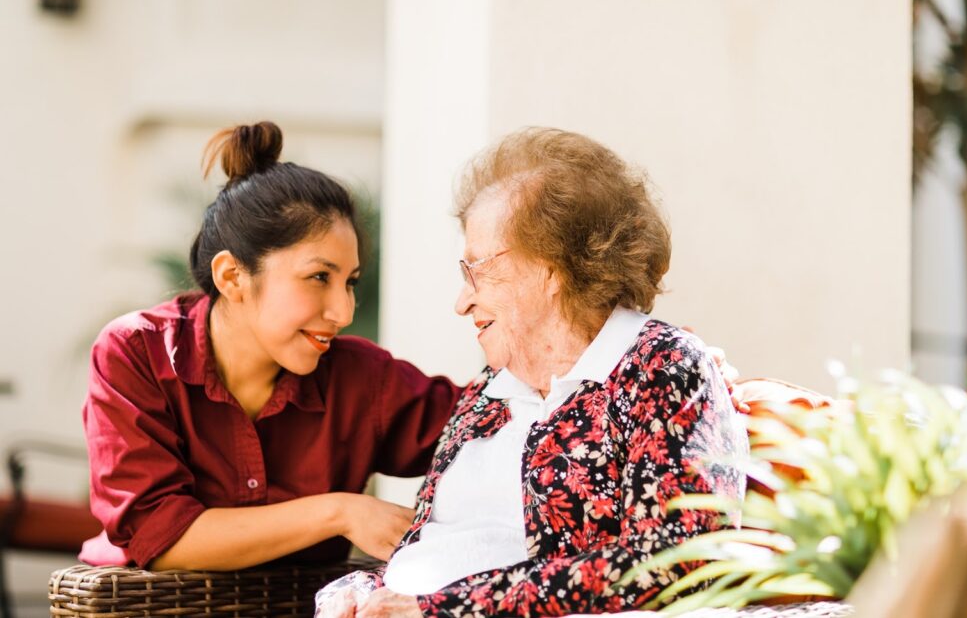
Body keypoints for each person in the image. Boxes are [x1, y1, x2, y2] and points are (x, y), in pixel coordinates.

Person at [317, 128, 749, 618]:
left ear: (553, 268)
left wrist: (442, 610)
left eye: (477, 270)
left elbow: (677, 564)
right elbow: (429, 551)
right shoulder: (490, 390)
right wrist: (352, 593)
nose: (462, 303)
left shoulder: (661, 367)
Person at [80, 122, 462, 570]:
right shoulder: (135, 354)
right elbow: (159, 537)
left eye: (350, 282)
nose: (343, 311)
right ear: (232, 277)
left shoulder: (363, 379)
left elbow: (486, 431)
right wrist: (339, 512)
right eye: (319, 277)